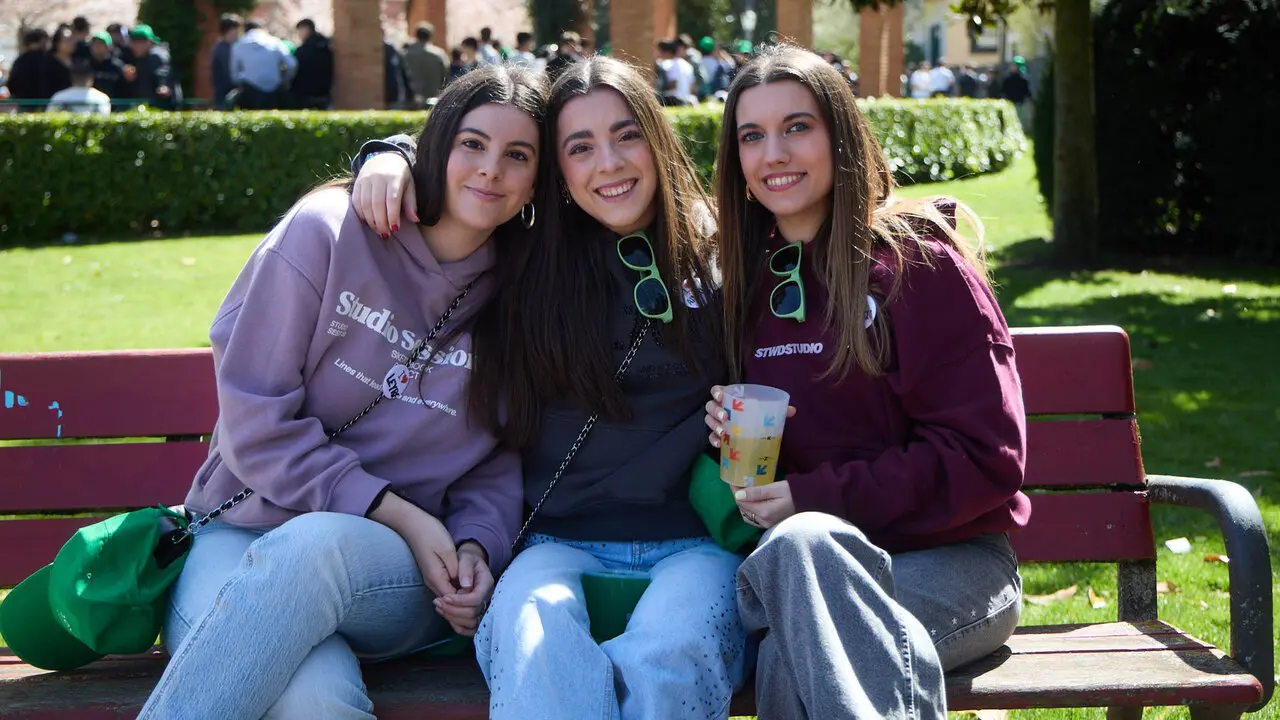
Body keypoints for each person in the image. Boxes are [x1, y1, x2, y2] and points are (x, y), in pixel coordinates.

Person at [136, 64, 543, 719]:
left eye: (517, 155)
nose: (491, 168)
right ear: (435, 144)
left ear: (534, 182)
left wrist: (475, 547)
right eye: (472, 143)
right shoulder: (326, 230)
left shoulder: (521, 300)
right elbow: (254, 422)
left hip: (394, 571)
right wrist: (399, 510)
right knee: (313, 701)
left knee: (313, 547)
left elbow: (496, 461)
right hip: (240, 535)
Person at [350, 55, 748, 720]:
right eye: (579, 147)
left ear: (657, 138)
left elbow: (803, 196)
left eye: (627, 136)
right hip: (554, 541)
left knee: (669, 658)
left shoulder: (724, 251)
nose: (610, 164)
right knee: (536, 647)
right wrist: (388, 154)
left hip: (695, 544)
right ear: (556, 170)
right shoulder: (528, 254)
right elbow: (473, 169)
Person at [701, 45, 1029, 718]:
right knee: (801, 580)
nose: (774, 154)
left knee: (799, 599)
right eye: (752, 136)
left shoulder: (919, 266)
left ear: (840, 135)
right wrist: (731, 448)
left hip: (951, 563)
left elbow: (987, 460)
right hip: (798, 572)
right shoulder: (747, 284)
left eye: (798, 127)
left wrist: (811, 497)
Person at [230, 21, 294, 109]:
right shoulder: (275, 42)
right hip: (274, 90)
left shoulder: (239, 45)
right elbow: (292, 64)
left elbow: (234, 73)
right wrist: (285, 81)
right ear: (263, 29)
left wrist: (240, 83)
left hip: (250, 90)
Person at [128, 24, 181, 110]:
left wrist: (163, 85)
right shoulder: (141, 57)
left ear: (150, 42)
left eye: (140, 42)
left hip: (163, 106)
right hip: (151, 105)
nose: (136, 46)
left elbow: (163, 71)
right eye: (134, 42)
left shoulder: (156, 55)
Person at [292, 19, 334, 109]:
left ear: (307, 29)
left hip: (305, 94)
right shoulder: (326, 46)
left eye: (300, 31)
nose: (299, 34)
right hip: (324, 92)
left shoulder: (303, 50)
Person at [403, 23, 449, 103]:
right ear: (431, 36)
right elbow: (446, 74)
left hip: (413, 97)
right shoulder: (439, 54)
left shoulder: (408, 54)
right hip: (435, 96)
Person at [211, 14, 242, 110]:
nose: (239, 34)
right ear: (229, 31)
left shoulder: (225, 47)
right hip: (226, 95)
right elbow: (229, 72)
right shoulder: (223, 49)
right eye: (237, 30)